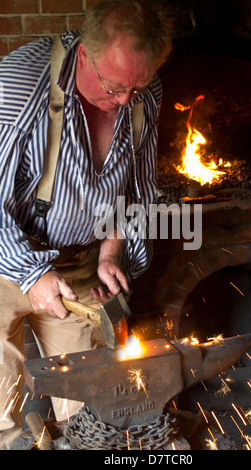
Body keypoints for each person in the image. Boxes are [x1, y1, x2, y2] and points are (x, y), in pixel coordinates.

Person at [0, 0, 172, 448]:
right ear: (82, 55)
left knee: (92, 408)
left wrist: (113, 251)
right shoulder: (19, 83)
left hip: (78, 266)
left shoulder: (142, 95)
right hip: (4, 261)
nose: (123, 102)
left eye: (137, 88)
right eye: (114, 87)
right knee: (0, 405)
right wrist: (32, 272)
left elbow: (135, 187)